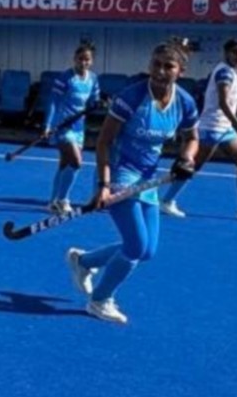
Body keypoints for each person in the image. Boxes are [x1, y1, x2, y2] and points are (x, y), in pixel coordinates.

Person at [65, 41, 200, 325]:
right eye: (156, 64)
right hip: (118, 173)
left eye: (169, 66)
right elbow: (103, 141)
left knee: (147, 250)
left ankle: (83, 261)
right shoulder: (132, 97)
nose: (161, 71)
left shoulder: (184, 102)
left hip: (148, 178)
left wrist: (187, 159)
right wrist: (103, 184)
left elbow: (192, 138)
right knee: (136, 246)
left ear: (181, 71)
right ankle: (100, 300)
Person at [158, 38, 237, 222]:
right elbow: (222, 101)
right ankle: (166, 200)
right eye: (235, 52)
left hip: (225, 128)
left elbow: (226, 98)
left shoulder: (229, 72)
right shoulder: (224, 73)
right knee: (191, 167)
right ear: (227, 53)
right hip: (211, 127)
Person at [42, 42, 102, 216]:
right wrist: (47, 125)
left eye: (87, 59)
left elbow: (93, 101)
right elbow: (53, 101)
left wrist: (99, 103)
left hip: (79, 127)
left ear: (91, 61)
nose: (83, 62)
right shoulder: (65, 78)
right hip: (62, 127)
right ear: (74, 59)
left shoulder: (93, 79)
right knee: (76, 162)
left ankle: (52, 201)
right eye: (80, 59)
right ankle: (63, 200)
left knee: (64, 164)